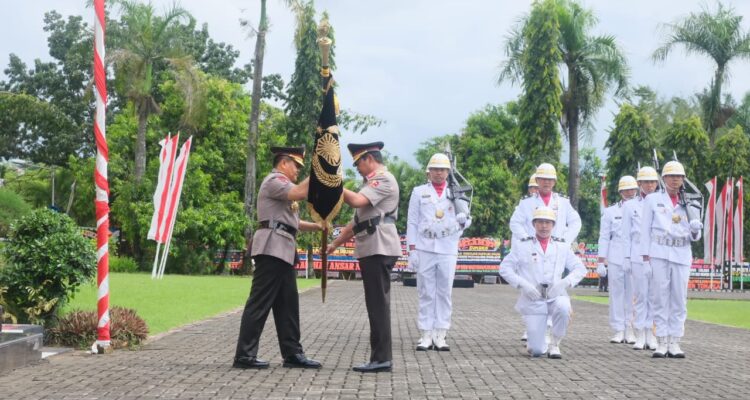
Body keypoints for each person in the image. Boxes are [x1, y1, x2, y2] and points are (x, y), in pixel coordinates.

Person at [233, 146, 323, 370]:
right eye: (296, 165)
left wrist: (318, 226)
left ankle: (292, 353)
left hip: (283, 248)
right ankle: (244, 355)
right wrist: (320, 170)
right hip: (272, 246)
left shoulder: (284, 186)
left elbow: (293, 222)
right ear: (283, 163)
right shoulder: (275, 181)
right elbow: (300, 193)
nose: (298, 170)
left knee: (288, 305)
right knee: (259, 302)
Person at [326, 141, 401, 373]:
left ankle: (382, 359)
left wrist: (332, 183)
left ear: (369, 159)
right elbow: (356, 222)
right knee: (375, 304)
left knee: (378, 305)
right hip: (373, 245)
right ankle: (380, 358)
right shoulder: (370, 184)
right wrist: (334, 244)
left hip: (380, 246)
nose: (357, 168)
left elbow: (357, 201)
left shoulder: (383, 179)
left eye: (358, 163)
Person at [499, 206, 587, 359]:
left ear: (553, 225)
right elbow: (504, 268)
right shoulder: (523, 246)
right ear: (534, 224)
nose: (544, 226)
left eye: (548, 222)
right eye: (540, 222)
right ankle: (538, 338)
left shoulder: (562, 246)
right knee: (536, 351)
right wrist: (523, 285)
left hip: (555, 295)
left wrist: (564, 283)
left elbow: (580, 269)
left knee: (564, 306)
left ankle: (555, 343)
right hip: (533, 298)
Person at [406, 153, 471, 352]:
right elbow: (412, 222)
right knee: (426, 291)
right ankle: (426, 334)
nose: (438, 173)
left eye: (442, 170)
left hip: (447, 247)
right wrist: (412, 250)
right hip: (425, 246)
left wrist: (464, 221)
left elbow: (467, 219)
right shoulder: (419, 192)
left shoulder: (456, 192)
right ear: (429, 172)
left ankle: (441, 333)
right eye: (435, 169)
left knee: (444, 292)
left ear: (448, 172)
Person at [510, 163, 581, 342]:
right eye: (543, 179)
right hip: (533, 250)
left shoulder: (563, 202)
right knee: (531, 289)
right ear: (537, 180)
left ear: (554, 181)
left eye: (550, 179)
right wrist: (526, 239)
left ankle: (549, 328)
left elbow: (576, 222)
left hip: (554, 250)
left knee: (554, 288)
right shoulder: (527, 203)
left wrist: (565, 240)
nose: (546, 182)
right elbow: (515, 223)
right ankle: (531, 326)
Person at [640, 161, 702, 358]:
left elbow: (696, 236)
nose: (675, 179)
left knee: (679, 299)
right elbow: (645, 230)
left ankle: (675, 341)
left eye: (679, 176)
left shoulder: (691, 201)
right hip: (659, 252)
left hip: (681, 253)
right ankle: (661, 340)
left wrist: (695, 230)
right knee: (659, 297)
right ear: (664, 178)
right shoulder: (652, 200)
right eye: (671, 176)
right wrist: (645, 259)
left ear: (683, 179)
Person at [621, 166, 660, 350]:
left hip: (657, 253)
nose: (650, 185)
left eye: (652, 182)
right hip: (637, 254)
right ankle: (639, 333)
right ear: (639, 184)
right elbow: (626, 234)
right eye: (646, 182)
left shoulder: (661, 203)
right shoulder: (630, 206)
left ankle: (651, 334)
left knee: (654, 296)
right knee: (640, 295)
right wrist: (626, 257)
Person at [597, 176, 638, 344]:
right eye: (626, 190)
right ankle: (618, 329)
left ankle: (630, 328)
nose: (629, 193)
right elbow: (604, 237)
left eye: (632, 189)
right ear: (620, 192)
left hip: (635, 256)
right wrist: (601, 261)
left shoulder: (642, 209)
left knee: (633, 294)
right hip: (616, 256)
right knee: (616, 294)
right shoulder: (610, 212)